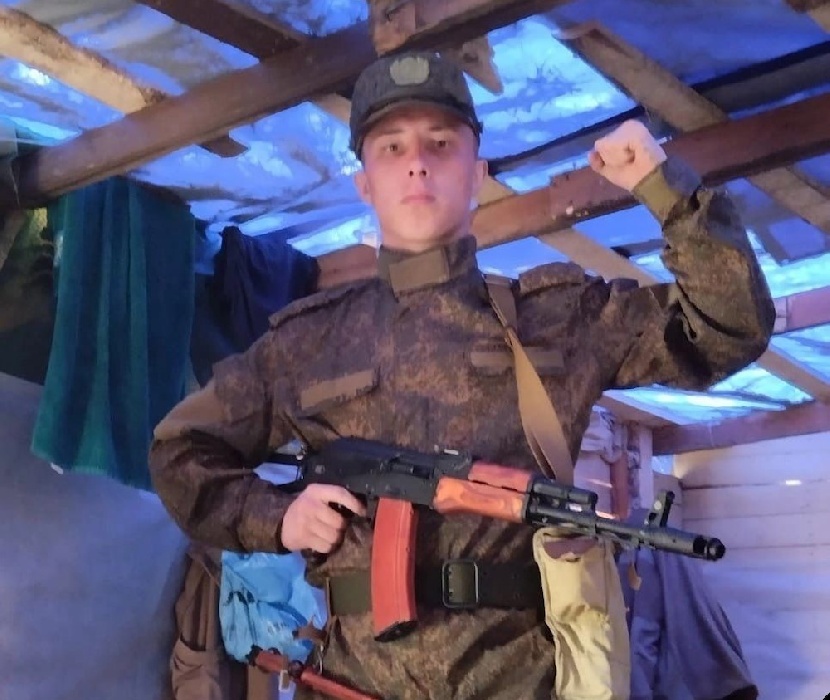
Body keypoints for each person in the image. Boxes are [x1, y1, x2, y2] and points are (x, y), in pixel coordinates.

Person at [149, 51, 775, 700]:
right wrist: (278, 517)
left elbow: (729, 329)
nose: (417, 162)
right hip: (353, 684)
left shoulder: (556, 317)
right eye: (391, 147)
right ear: (364, 184)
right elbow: (178, 452)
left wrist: (663, 187)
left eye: (440, 143)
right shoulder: (307, 342)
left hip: (522, 681)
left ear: (477, 173)